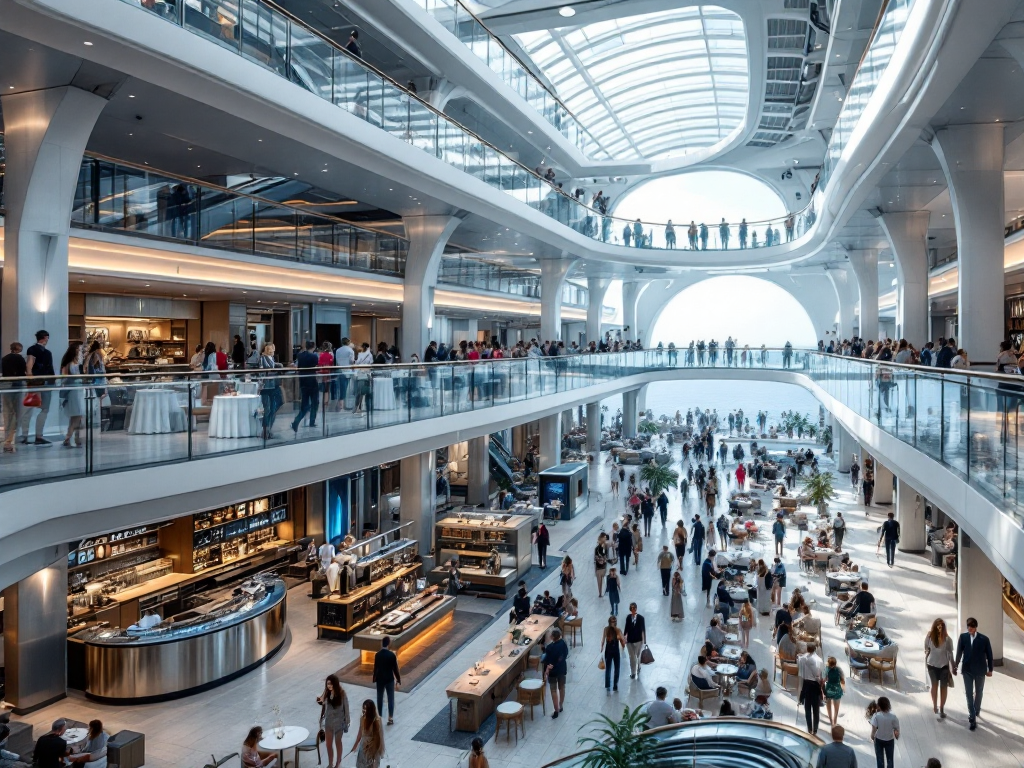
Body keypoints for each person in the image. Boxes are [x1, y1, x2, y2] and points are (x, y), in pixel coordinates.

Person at [953, 616, 994, 731]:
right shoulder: (963, 637)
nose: (970, 628)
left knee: (979, 691)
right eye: (968, 626)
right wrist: (955, 665)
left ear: (976, 627)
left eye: (972, 627)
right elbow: (959, 653)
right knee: (968, 693)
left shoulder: (984, 639)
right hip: (967, 670)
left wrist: (990, 669)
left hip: (980, 670)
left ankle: (976, 709)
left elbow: (990, 655)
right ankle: (972, 716)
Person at [21, 330, 54, 446]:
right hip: (43, 383)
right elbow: (30, 366)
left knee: (29, 409)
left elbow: (29, 366)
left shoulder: (32, 349)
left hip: (35, 383)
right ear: (45, 338)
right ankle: (38, 436)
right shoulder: (46, 352)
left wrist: (30, 380)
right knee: (44, 409)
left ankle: (25, 435)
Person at [922, 617, 954, 718]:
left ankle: (942, 708)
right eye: (938, 627)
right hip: (931, 664)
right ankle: (935, 706)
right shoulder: (930, 636)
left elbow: (950, 653)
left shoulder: (948, 640)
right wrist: (927, 652)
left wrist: (953, 666)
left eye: (941, 627)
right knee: (934, 685)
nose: (939, 629)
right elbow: (926, 647)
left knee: (944, 687)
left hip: (944, 665)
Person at [317, 675, 350, 768]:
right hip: (329, 722)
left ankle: (338, 763)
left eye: (331, 684)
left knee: (337, 742)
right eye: (328, 684)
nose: (329, 686)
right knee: (328, 744)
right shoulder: (327, 692)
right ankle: (330, 763)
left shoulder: (342, 694)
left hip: (339, 723)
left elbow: (346, 708)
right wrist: (321, 698)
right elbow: (322, 702)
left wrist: (347, 721)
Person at [2, 342, 26, 454]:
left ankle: (7, 438)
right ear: (18, 349)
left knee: (7, 412)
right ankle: (10, 439)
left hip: (5, 385)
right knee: (17, 413)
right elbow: (23, 373)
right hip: (17, 385)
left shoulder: (4, 358)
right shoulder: (20, 359)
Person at [59, 342, 85, 448]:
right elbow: (65, 377)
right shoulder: (69, 363)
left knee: (76, 416)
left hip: (77, 389)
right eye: (78, 350)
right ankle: (70, 437)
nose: (80, 352)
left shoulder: (75, 362)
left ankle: (71, 437)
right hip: (74, 390)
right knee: (77, 415)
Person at [292, 340, 320, 433]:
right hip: (312, 381)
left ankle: (297, 420)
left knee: (305, 403)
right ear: (314, 347)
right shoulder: (314, 356)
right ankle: (312, 421)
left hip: (303, 381)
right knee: (315, 402)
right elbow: (317, 366)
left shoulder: (300, 355)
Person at [372, 636, 401, 725]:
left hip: (380, 679)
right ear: (388, 644)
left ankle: (379, 716)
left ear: (382, 643)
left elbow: (375, 668)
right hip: (389, 679)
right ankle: (390, 718)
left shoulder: (377, 655)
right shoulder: (392, 655)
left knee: (380, 698)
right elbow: (395, 669)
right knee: (390, 698)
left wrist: (374, 678)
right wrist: (398, 680)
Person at [348, 701, 384, 768]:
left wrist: (378, 753)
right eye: (363, 709)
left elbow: (379, 737)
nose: (364, 711)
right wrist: (354, 746)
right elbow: (360, 733)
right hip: (363, 747)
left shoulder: (377, 721)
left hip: (372, 747)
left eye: (365, 709)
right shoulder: (362, 718)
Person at [798, 643, 824, 735]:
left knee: (807, 708)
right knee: (816, 709)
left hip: (806, 684)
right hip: (815, 685)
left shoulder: (802, 659)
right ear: (815, 649)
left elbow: (800, 674)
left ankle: (809, 728)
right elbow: (820, 675)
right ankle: (815, 729)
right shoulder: (819, 660)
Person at [543, 627, 570, 717]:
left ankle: (556, 710)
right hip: (562, 669)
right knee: (562, 688)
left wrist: (547, 669)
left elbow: (548, 661)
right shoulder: (563, 644)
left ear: (552, 637)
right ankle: (561, 705)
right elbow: (565, 654)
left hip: (553, 672)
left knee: (553, 690)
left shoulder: (550, 648)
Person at [868, 697, 899, 768]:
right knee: (890, 759)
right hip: (889, 740)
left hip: (878, 739)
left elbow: (874, 729)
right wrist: (896, 734)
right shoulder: (893, 717)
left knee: (880, 760)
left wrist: (872, 736)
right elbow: (896, 728)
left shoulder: (876, 716)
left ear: (879, 706)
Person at [601, 615, 625, 692]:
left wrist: (601, 647)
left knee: (608, 668)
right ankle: (615, 685)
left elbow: (603, 640)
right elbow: (621, 640)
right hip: (615, 651)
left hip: (608, 651)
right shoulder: (617, 630)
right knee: (616, 668)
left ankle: (608, 685)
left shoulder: (606, 629)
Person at [623, 602, 647, 679]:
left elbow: (643, 629)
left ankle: (639, 666)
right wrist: (624, 638)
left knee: (638, 655)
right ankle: (633, 672)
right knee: (632, 657)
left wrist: (644, 640)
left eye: (634, 608)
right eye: (631, 608)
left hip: (638, 640)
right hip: (630, 640)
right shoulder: (628, 617)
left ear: (636, 608)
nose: (633, 609)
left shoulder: (641, 618)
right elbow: (626, 628)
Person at [823, 656, 845, 727]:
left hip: (829, 689)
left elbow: (824, 679)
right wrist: (843, 688)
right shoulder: (839, 670)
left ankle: (831, 721)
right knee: (836, 708)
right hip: (837, 690)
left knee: (829, 707)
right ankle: (835, 722)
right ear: (835, 663)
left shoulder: (826, 669)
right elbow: (842, 680)